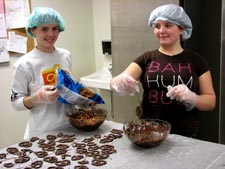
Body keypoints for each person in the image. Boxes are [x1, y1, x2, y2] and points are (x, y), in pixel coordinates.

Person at [110, 4, 216, 138]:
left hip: (184, 135)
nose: (161, 30)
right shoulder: (146, 58)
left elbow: (210, 101)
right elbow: (115, 81)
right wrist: (119, 82)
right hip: (148, 132)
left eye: (168, 25)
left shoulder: (196, 61)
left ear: (182, 28)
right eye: (157, 26)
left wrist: (193, 98)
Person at [10, 7, 73, 139]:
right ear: (33, 30)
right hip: (41, 133)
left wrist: (75, 89)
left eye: (55, 28)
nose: (51, 34)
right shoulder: (24, 64)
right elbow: (16, 102)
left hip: (69, 128)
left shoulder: (65, 55)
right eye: (44, 29)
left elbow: (67, 94)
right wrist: (37, 97)